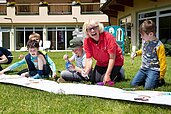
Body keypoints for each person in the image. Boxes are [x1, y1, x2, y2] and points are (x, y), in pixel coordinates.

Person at [82, 19, 124, 85]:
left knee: (104, 81)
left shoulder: (108, 37)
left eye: (94, 28)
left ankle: (119, 73)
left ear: (99, 28)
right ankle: (110, 72)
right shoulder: (86, 41)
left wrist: (108, 74)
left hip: (116, 61)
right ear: (87, 32)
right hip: (101, 63)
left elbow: (112, 58)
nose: (92, 31)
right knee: (94, 81)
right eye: (89, 29)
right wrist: (87, 69)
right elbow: (89, 58)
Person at [131, 20, 167, 89]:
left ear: (150, 34)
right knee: (133, 84)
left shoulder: (159, 45)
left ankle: (159, 81)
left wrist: (161, 76)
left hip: (154, 70)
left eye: (142, 35)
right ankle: (148, 79)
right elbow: (144, 50)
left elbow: (163, 62)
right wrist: (136, 53)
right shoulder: (145, 41)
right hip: (143, 69)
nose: (141, 37)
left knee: (148, 88)